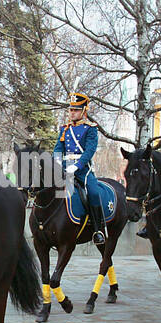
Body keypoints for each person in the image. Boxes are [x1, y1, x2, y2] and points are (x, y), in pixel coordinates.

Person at [54, 92, 107, 245]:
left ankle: (97, 230)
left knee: (94, 193)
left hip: (83, 169)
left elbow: (90, 151)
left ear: (84, 111)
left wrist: (76, 166)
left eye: (76, 110)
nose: (72, 113)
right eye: (71, 110)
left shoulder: (90, 128)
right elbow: (58, 148)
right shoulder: (65, 129)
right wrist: (56, 163)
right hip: (64, 167)